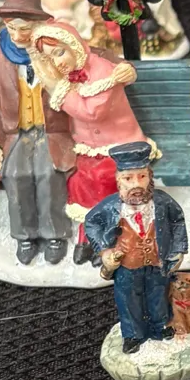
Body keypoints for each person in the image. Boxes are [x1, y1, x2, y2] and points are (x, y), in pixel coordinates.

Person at [29, 20, 147, 265]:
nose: (57, 63)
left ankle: (108, 240)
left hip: (121, 144)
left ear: (74, 46)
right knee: (78, 180)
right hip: (88, 148)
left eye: (60, 53)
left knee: (104, 179)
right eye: (49, 59)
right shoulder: (65, 78)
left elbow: (92, 113)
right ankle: (88, 236)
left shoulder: (102, 70)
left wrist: (58, 89)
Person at [0, 0, 73, 265]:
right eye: (12, 28)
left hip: (52, 130)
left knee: (48, 173)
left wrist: (117, 66)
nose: (18, 36)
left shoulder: (52, 49)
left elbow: (88, 55)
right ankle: (25, 236)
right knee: (16, 174)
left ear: (39, 25)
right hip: (16, 133)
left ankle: (55, 234)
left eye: (25, 29)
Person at [84, 141, 188, 354]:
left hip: (157, 261)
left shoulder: (163, 202)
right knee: (128, 298)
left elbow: (177, 221)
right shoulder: (111, 207)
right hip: (127, 265)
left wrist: (177, 249)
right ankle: (133, 334)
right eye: (128, 178)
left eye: (142, 176)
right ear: (118, 181)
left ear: (150, 177)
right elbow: (91, 222)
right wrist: (104, 250)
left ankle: (160, 326)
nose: (136, 184)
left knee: (158, 293)